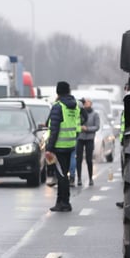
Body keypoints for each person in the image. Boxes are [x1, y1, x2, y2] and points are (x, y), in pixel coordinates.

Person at [44, 81, 79, 212]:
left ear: (57, 92)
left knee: (61, 176)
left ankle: (64, 203)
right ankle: (62, 201)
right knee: (63, 173)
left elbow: (54, 129)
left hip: (59, 146)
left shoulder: (58, 106)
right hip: (70, 144)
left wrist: (49, 148)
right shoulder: (74, 106)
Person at [75, 97, 101, 186]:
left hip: (89, 138)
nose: (86, 103)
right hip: (80, 138)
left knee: (89, 159)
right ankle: (79, 178)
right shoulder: (79, 112)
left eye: (87, 102)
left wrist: (87, 129)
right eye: (85, 102)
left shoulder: (95, 114)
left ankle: (90, 178)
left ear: (91, 103)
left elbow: (97, 127)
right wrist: (79, 128)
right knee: (78, 159)